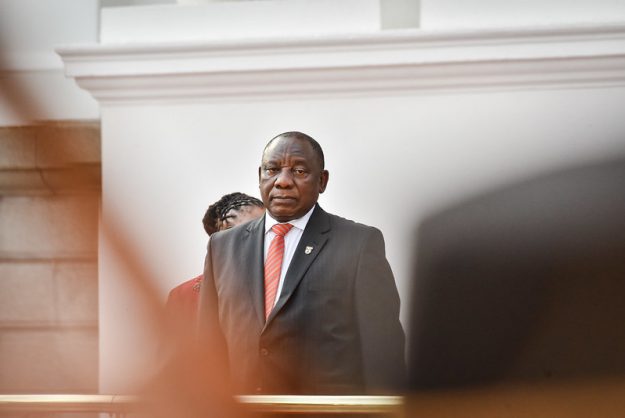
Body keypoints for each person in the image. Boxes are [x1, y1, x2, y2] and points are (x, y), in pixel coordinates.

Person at [198, 131, 406, 395]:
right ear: (260, 176)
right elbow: (208, 347)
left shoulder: (359, 244)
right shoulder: (222, 247)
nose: (283, 181)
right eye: (272, 170)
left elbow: (382, 355)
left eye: (299, 171)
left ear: (322, 181)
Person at [166, 193, 264, 332]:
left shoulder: (288, 280)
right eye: (237, 234)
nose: (255, 238)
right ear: (217, 244)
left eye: (261, 227)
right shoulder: (184, 297)